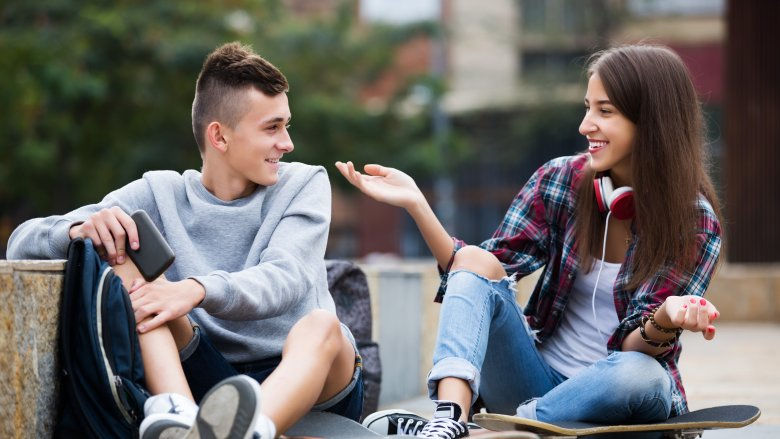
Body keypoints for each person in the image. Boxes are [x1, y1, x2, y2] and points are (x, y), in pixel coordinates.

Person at [336, 44, 723, 439]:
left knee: (642, 376)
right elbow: (475, 272)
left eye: (604, 111)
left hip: (614, 403)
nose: (585, 125)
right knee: (475, 261)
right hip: (532, 382)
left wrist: (665, 318)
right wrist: (417, 205)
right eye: (587, 108)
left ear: (652, 121)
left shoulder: (693, 222)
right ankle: (449, 419)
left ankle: (498, 433)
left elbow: (633, 349)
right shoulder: (559, 180)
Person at [7, 42, 363, 439]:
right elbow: (21, 244)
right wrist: (79, 230)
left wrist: (195, 290)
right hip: (204, 375)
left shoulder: (303, 183)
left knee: (322, 326)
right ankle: (180, 416)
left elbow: (286, 278)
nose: (287, 143)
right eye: (272, 128)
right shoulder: (159, 193)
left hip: (308, 382)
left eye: (286, 125)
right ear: (220, 137)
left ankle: (251, 429)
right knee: (119, 247)